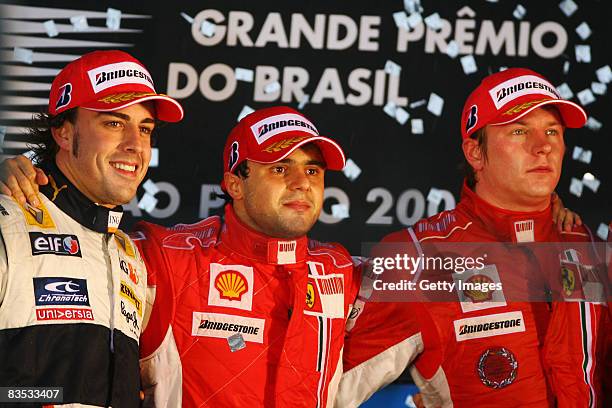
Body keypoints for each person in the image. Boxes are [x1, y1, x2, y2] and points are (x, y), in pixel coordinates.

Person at [338, 68, 609, 407]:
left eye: (552, 131)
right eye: (519, 131)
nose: (543, 148)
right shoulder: (421, 256)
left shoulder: (586, 246)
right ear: (475, 153)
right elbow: (320, 389)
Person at [0, 50, 183, 406]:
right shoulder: (9, 225)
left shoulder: (130, 254)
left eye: (144, 129)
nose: (135, 145)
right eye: (114, 123)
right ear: (64, 134)